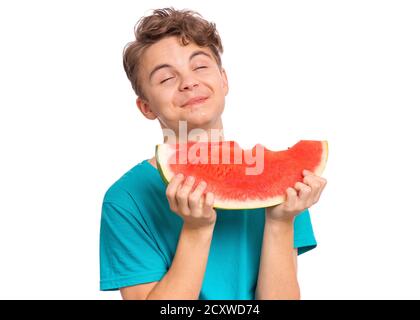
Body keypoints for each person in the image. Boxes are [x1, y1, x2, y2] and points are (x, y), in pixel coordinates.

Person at [99, 7, 327, 300]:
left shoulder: (284, 183)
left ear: (224, 81)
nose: (189, 82)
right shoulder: (126, 199)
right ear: (146, 107)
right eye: (167, 78)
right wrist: (196, 229)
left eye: (200, 66)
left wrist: (281, 221)